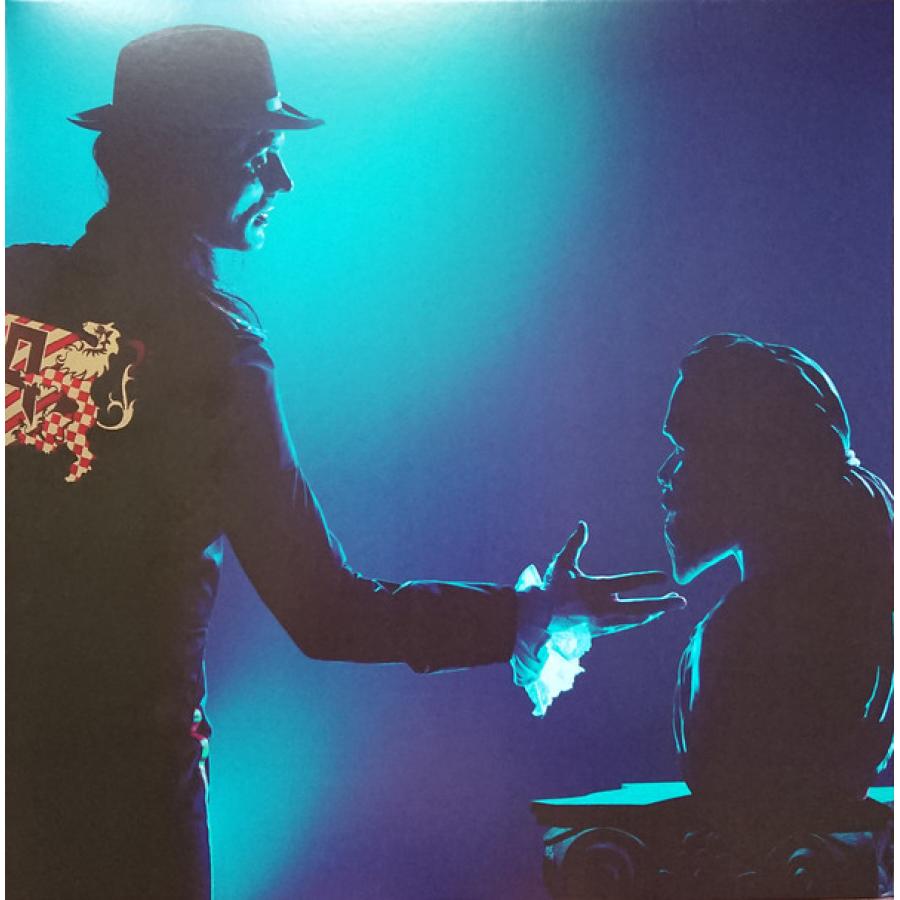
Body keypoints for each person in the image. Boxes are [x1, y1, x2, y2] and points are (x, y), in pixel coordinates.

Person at [5, 25, 684, 899]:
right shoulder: (214, 352)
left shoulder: (16, 292)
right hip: (127, 804)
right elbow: (325, 612)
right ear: (183, 160)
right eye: (258, 151)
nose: (281, 179)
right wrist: (525, 615)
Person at [658, 333, 893, 825]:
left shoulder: (747, 641)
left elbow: (723, 778)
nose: (666, 474)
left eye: (685, 447)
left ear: (750, 464)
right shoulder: (848, 620)